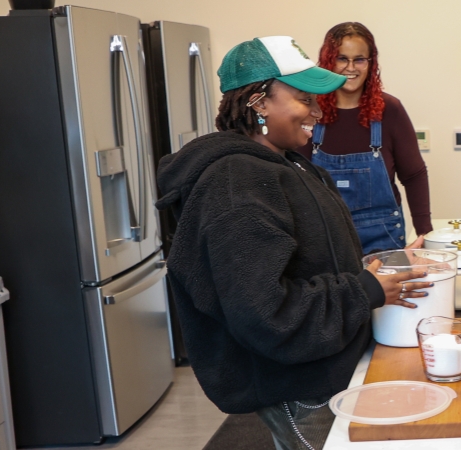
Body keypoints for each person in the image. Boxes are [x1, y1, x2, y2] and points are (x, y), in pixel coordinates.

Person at [155, 36, 429, 450]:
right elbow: (265, 312)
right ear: (259, 102)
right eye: (305, 98)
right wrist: (365, 289)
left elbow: (307, 258)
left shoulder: (287, 164)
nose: (318, 113)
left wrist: (375, 265)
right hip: (300, 390)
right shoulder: (237, 182)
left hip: (328, 368)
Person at [295, 22, 431, 254]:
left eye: (359, 59)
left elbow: (414, 175)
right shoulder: (310, 111)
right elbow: (295, 182)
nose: (350, 68)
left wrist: (424, 233)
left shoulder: (390, 110)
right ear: (328, 62)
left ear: (371, 63)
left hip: (384, 242)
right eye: (341, 59)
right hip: (326, 243)